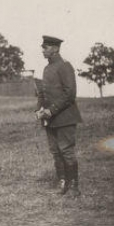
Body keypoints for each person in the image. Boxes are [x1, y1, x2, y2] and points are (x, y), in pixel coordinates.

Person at [35, 35, 83, 197]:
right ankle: (62, 183)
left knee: (66, 151)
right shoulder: (46, 69)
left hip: (65, 117)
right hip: (50, 119)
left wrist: (51, 110)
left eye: (45, 47)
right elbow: (42, 93)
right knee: (55, 151)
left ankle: (74, 186)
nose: (43, 50)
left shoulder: (65, 66)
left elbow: (70, 94)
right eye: (43, 47)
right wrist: (39, 109)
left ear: (55, 48)